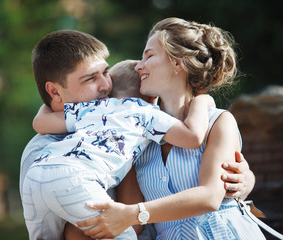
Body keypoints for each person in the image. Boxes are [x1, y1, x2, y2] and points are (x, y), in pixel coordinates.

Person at [19, 29, 255, 240]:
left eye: (148, 56)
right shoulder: (52, 145)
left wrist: (246, 180)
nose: (106, 85)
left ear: (177, 63)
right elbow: (103, 222)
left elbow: (212, 193)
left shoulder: (209, 121)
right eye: (91, 78)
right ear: (54, 91)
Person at [27, 58, 214, 240]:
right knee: (121, 231)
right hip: (75, 178)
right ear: (153, 98)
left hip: (36, 173)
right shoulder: (147, 113)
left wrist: (52, 99)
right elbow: (193, 137)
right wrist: (202, 100)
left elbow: (40, 123)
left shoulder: (93, 108)